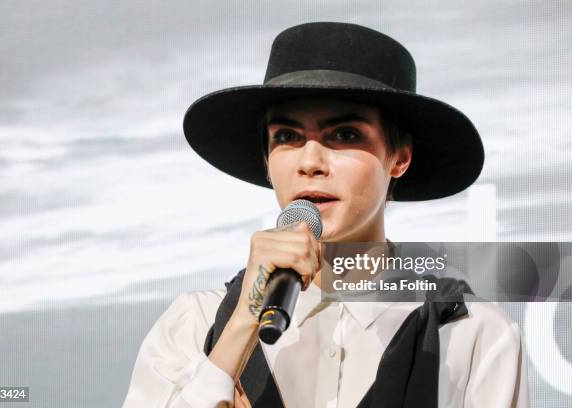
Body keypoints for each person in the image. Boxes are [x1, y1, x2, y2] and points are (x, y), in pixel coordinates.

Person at [122, 22, 528, 407]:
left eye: (345, 135)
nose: (310, 161)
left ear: (399, 157)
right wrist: (242, 325)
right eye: (287, 137)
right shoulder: (194, 325)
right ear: (267, 159)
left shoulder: (472, 334)